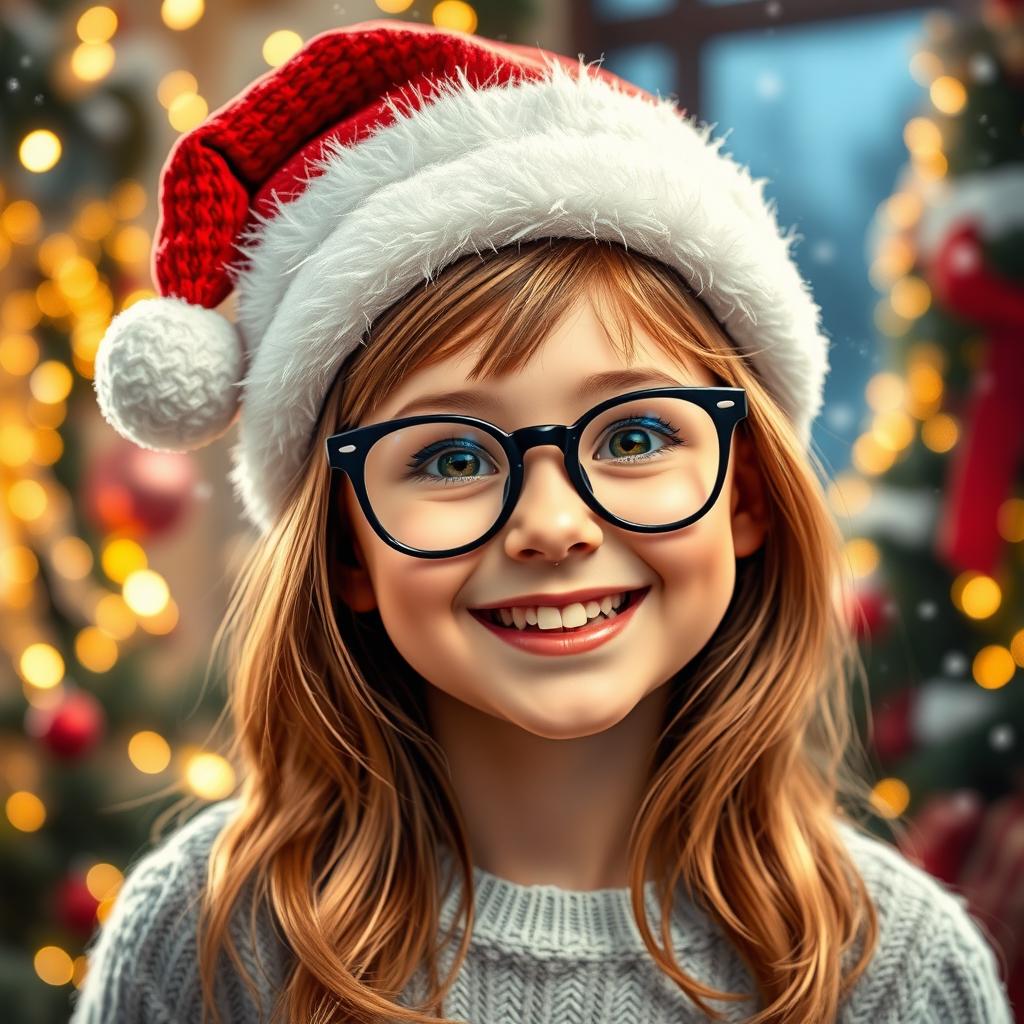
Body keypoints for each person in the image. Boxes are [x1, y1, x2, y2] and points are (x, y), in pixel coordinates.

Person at [68, 18, 1014, 1024]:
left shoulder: (894, 971)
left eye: (637, 436)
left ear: (744, 493)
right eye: (453, 457)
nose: (553, 524)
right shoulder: (208, 938)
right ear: (349, 544)